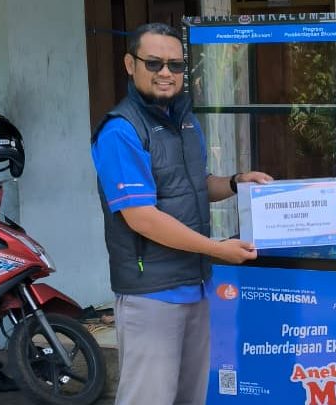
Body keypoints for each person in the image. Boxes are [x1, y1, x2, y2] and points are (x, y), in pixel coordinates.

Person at [90, 23, 272, 405]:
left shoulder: (185, 121)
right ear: (130, 64)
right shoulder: (120, 131)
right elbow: (141, 217)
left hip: (196, 286)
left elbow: (197, 186)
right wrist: (216, 249)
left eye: (175, 65)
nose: (166, 73)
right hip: (152, 293)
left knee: (190, 397)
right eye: (154, 63)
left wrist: (237, 182)